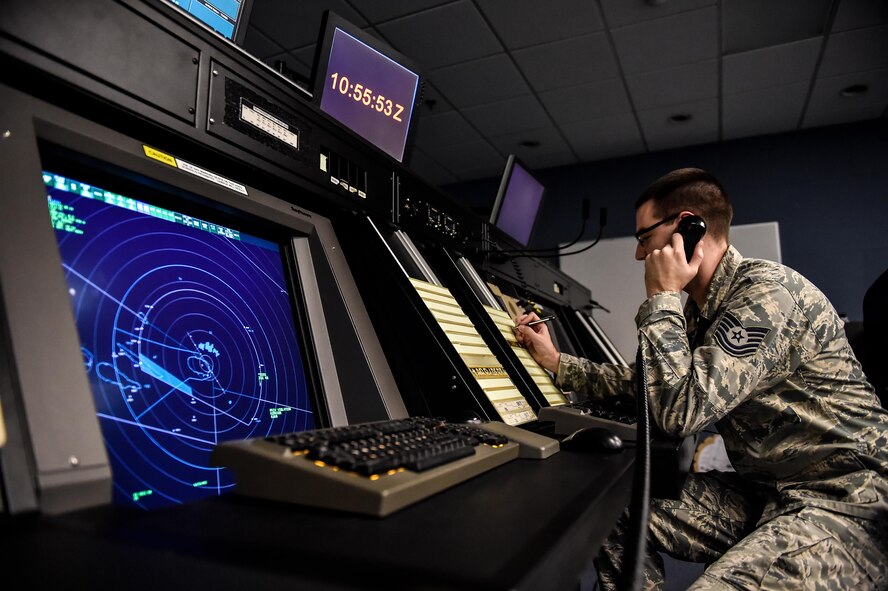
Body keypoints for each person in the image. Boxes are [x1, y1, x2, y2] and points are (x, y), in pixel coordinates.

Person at [514, 168, 888, 590]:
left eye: (643, 238)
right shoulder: (703, 309)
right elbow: (648, 385)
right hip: (767, 491)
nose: (639, 254)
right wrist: (557, 361)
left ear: (687, 228)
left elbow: (680, 413)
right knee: (610, 509)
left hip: (845, 500)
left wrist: (662, 296)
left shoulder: (766, 295)